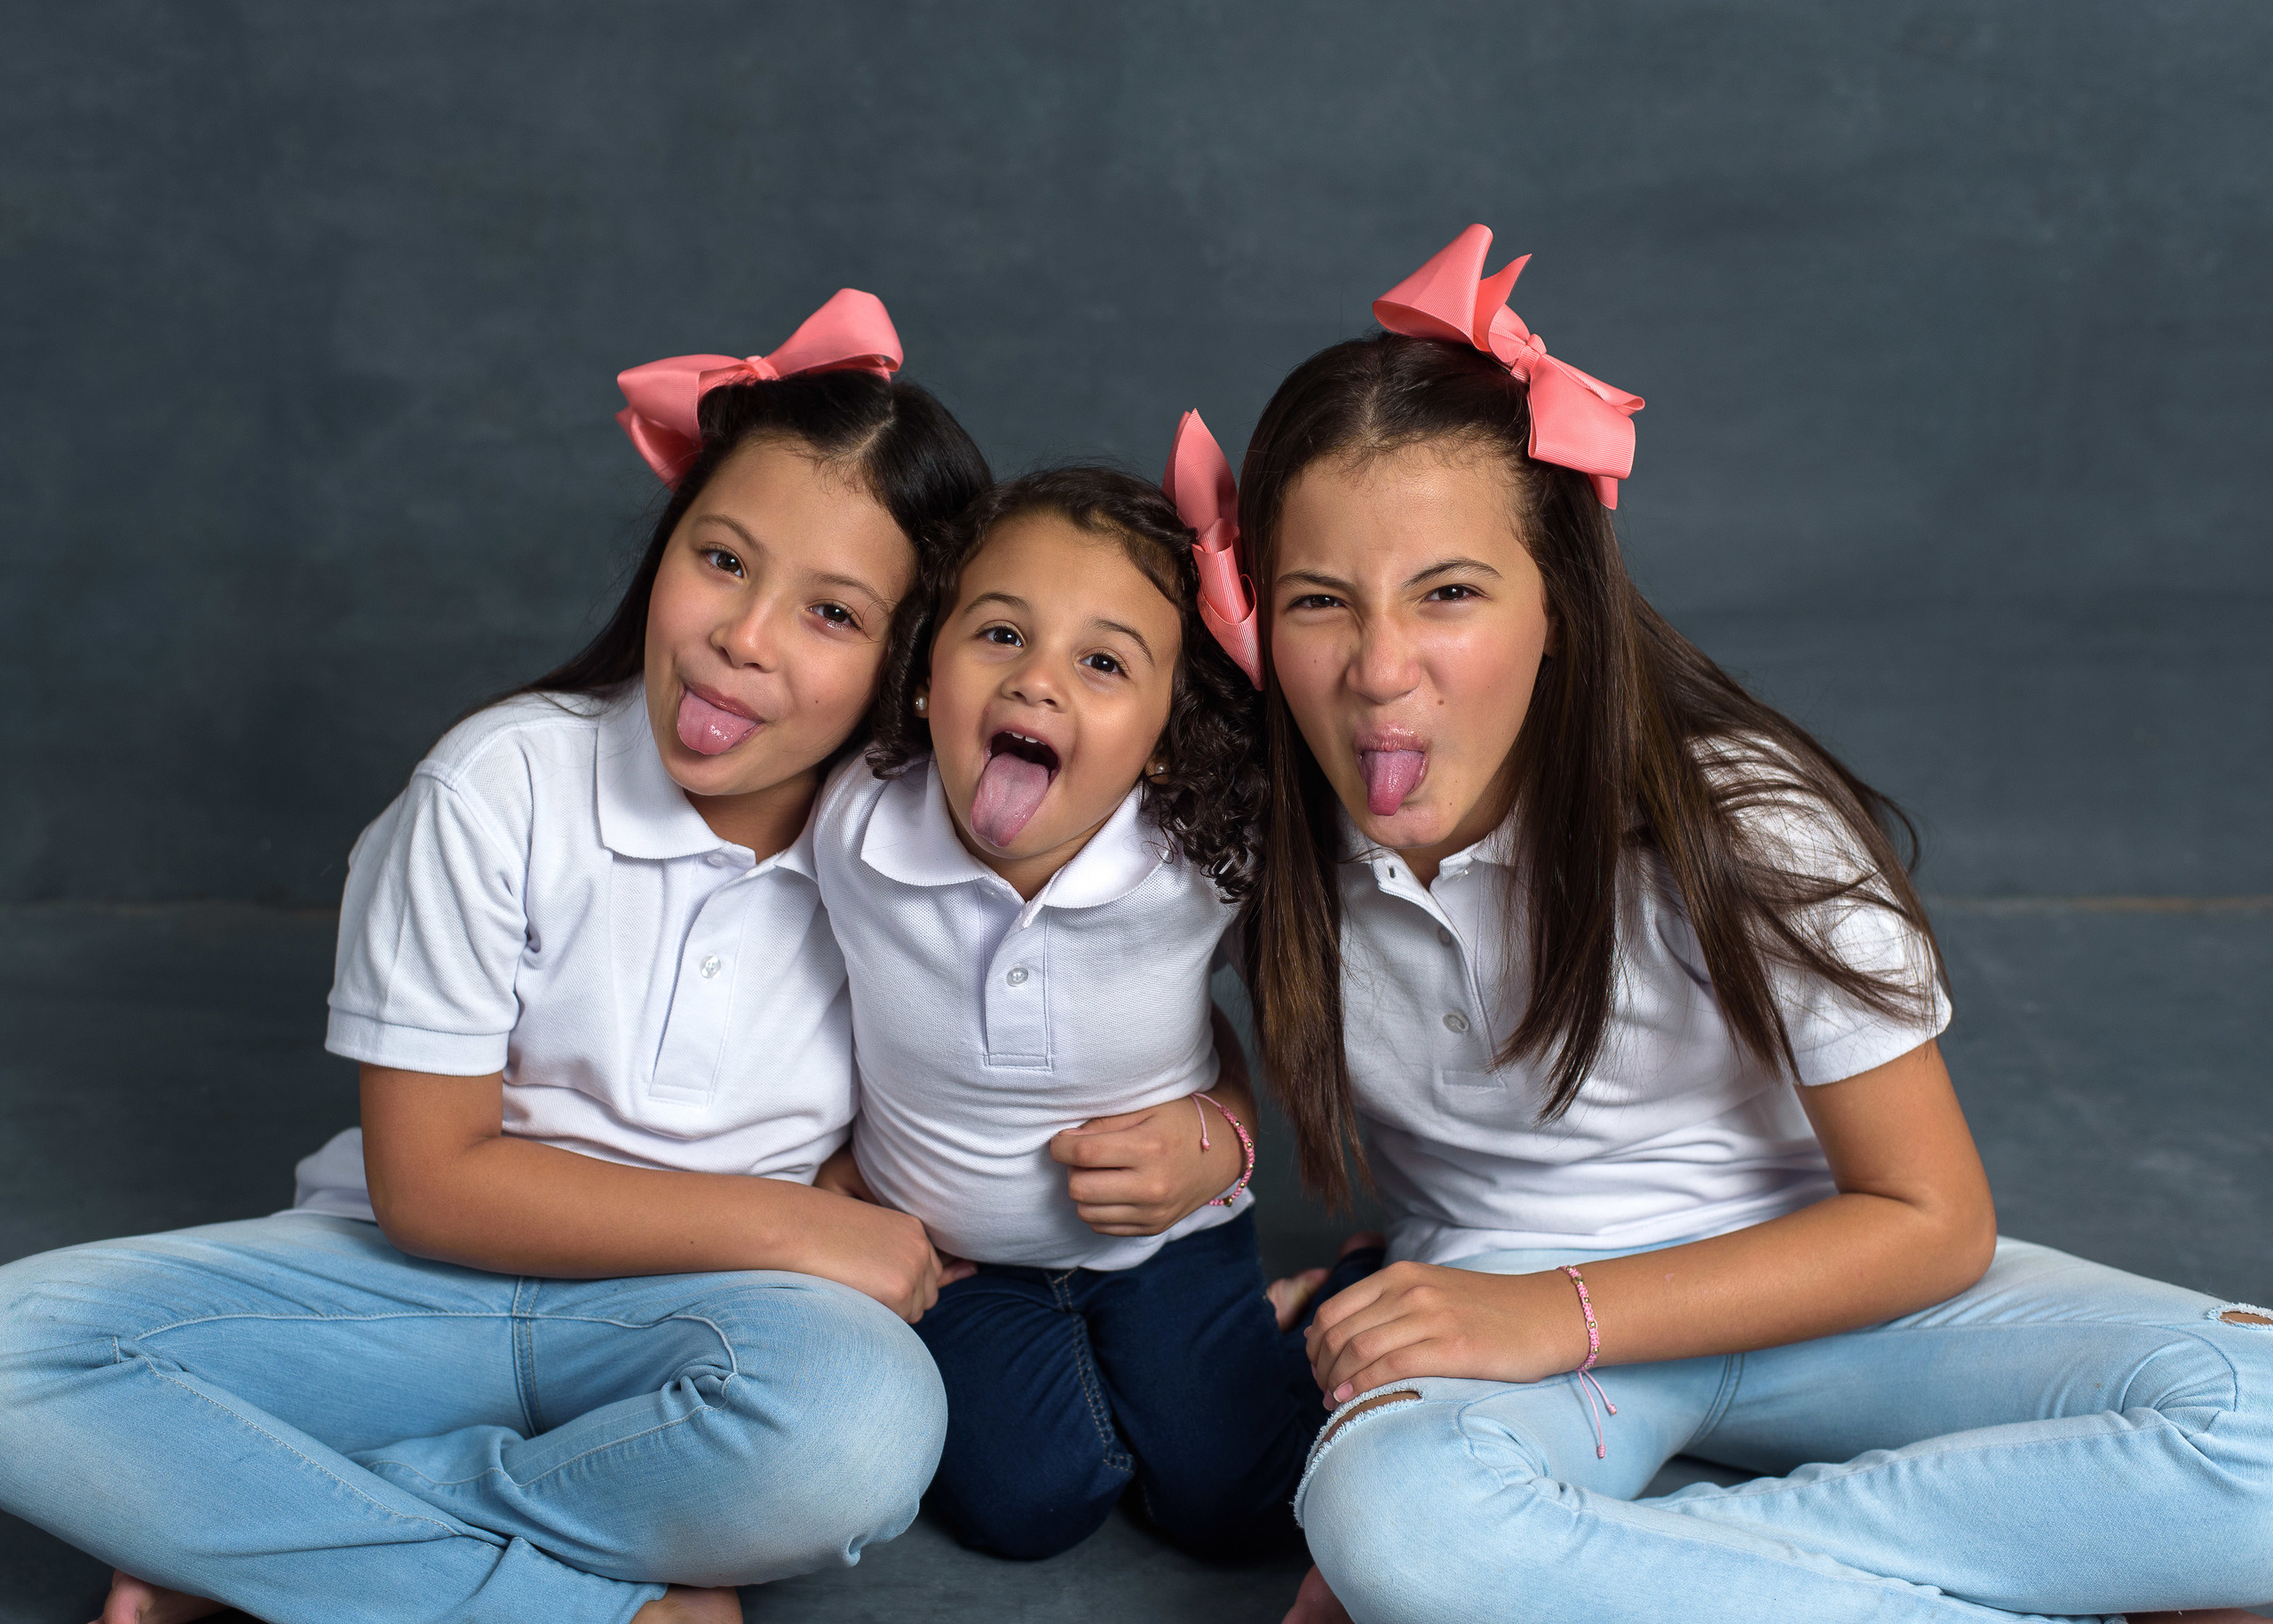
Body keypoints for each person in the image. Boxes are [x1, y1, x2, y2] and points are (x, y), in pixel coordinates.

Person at [1233, 226, 2273, 1624]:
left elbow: (1933, 1219)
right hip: (1504, 1335)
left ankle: (1636, 1566)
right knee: (1394, 1519)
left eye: (1450, 594)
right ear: (1259, 616)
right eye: (1318, 604)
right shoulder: (1260, 824)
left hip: (1826, 1305)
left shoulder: (1738, 820)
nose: (1378, 669)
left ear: (1561, 607)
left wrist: (1562, 1322)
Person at [0, 289, 992, 1624]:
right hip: (404, 1295)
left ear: (904, 662)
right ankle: (593, 1605)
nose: (743, 637)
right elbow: (429, 1183)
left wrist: (1196, 1126)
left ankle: (271, 1534)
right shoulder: (497, 786)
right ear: (667, 550)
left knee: (863, 1430)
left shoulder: (914, 850)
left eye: (831, 614)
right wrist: (807, 1222)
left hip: (687, 1327)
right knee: (14, 1353)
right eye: (723, 559)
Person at [809, 423, 1374, 1562]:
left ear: (1169, 735)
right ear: (925, 673)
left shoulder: (1203, 860)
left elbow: (1263, 1011)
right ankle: (1157, 1389)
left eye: (1104, 662)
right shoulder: (849, 830)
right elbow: (777, 999)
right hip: (956, 1255)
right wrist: (819, 1170)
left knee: (1239, 1506)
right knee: (1030, 1503)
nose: (1036, 677)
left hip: (1174, 1236)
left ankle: (1329, 1296)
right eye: (1001, 632)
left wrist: (1221, 1136)